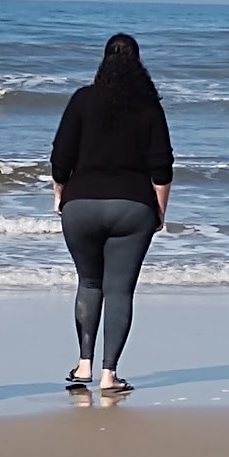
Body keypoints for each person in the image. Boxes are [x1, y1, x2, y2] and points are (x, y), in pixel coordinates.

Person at [50, 33, 173, 395]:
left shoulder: (82, 100)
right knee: (119, 291)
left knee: (89, 282)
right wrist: (159, 210)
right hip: (132, 206)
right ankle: (109, 375)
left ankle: (84, 363)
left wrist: (60, 195)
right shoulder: (149, 107)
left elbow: (61, 157)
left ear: (103, 60)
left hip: (81, 204)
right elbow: (162, 167)